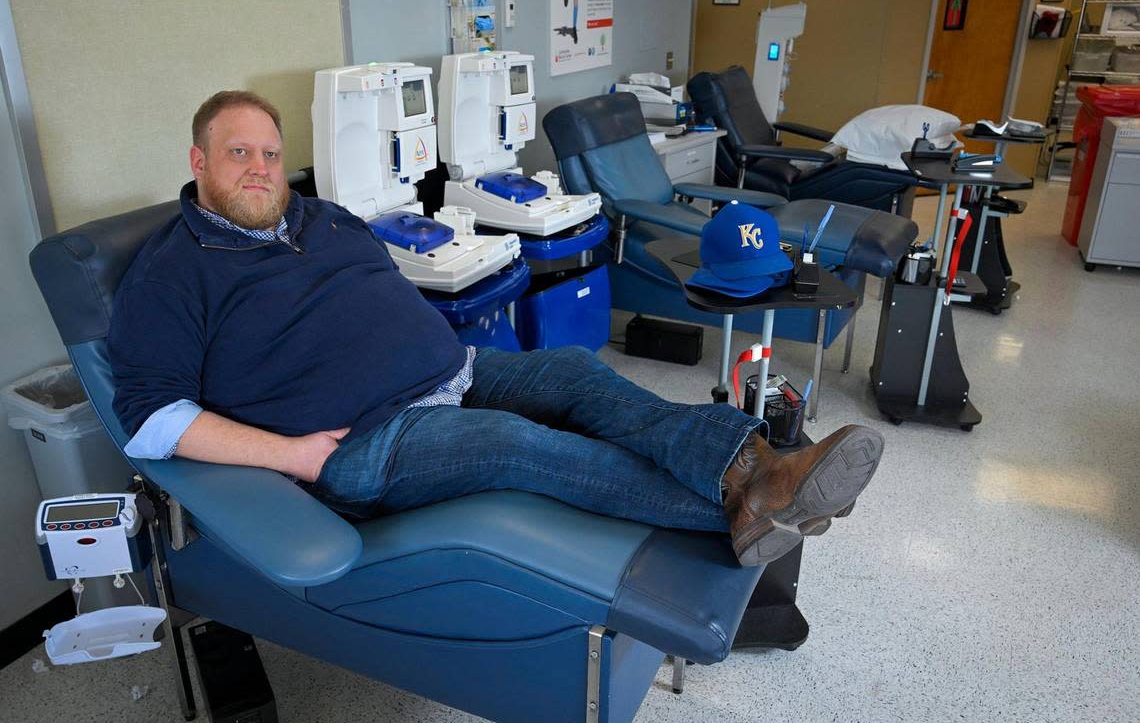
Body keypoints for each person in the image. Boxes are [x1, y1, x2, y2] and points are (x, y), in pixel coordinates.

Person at [108, 90, 885, 567]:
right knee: (525, 448)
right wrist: (293, 456)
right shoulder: (172, 271)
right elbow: (150, 419)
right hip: (362, 442)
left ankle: (753, 461)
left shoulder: (323, 215)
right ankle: (756, 498)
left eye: (270, 154)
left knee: (579, 375)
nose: (259, 168)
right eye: (237, 153)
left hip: (458, 370)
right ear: (199, 161)